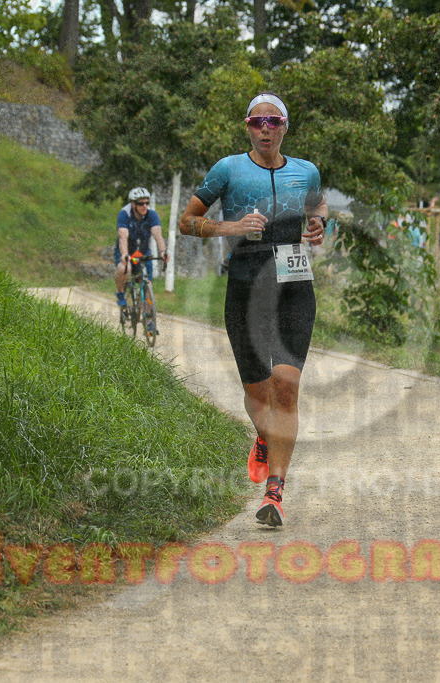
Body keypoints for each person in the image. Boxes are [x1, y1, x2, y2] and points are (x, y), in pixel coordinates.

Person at [178, 92, 327, 528]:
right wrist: (231, 226)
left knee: (286, 386)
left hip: (295, 285)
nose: (265, 129)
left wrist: (319, 223)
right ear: (247, 126)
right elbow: (188, 221)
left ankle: (275, 493)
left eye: (273, 121)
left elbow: (316, 206)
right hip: (245, 288)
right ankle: (264, 438)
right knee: (260, 394)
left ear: (285, 126)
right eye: (257, 122)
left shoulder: (306, 171)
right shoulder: (229, 169)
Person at [115, 187, 168, 318]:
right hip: (126, 250)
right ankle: (120, 293)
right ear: (133, 204)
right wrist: (124, 254)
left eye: (146, 203)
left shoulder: (151, 215)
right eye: (141, 203)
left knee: (147, 284)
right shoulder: (125, 214)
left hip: (141, 253)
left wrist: (163, 251)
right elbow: (123, 236)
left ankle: (148, 319)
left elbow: (158, 235)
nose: (145, 206)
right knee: (124, 268)